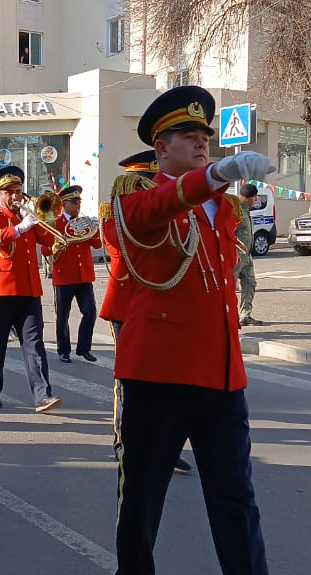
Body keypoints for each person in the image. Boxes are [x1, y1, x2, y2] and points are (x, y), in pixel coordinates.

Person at [112, 85, 275, 575]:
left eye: (205, 135)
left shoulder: (222, 209)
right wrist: (216, 175)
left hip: (221, 376)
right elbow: (147, 214)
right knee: (142, 501)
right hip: (159, 375)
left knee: (236, 501)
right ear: (161, 149)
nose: (202, 142)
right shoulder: (136, 197)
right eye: (188, 135)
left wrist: (215, 183)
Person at [102, 151, 193, 474]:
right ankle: (124, 440)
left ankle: (167, 443)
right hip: (128, 304)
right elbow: (119, 244)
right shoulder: (119, 212)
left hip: (168, 305)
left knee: (171, 378)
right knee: (130, 379)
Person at [0, 166, 63, 413]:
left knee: (34, 343)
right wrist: (20, 228)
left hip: (29, 289)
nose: (15, 196)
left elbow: (48, 240)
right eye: (9, 192)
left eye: (18, 191)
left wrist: (42, 218)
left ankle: (43, 395)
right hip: (0, 290)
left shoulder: (28, 215)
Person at [42, 185, 102, 364]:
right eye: (74, 202)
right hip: (64, 276)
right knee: (63, 316)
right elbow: (45, 250)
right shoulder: (56, 223)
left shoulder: (84, 222)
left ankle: (84, 348)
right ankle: (63, 350)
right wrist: (55, 246)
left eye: (79, 202)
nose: (78, 205)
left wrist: (95, 228)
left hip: (83, 276)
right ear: (64, 204)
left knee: (90, 311)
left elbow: (97, 245)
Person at [235, 183, 260, 326]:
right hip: (235, 257)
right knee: (228, 288)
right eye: (255, 198)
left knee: (250, 283)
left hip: (246, 256)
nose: (255, 201)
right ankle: (225, 316)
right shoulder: (236, 210)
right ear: (249, 198)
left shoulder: (246, 211)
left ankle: (245, 315)